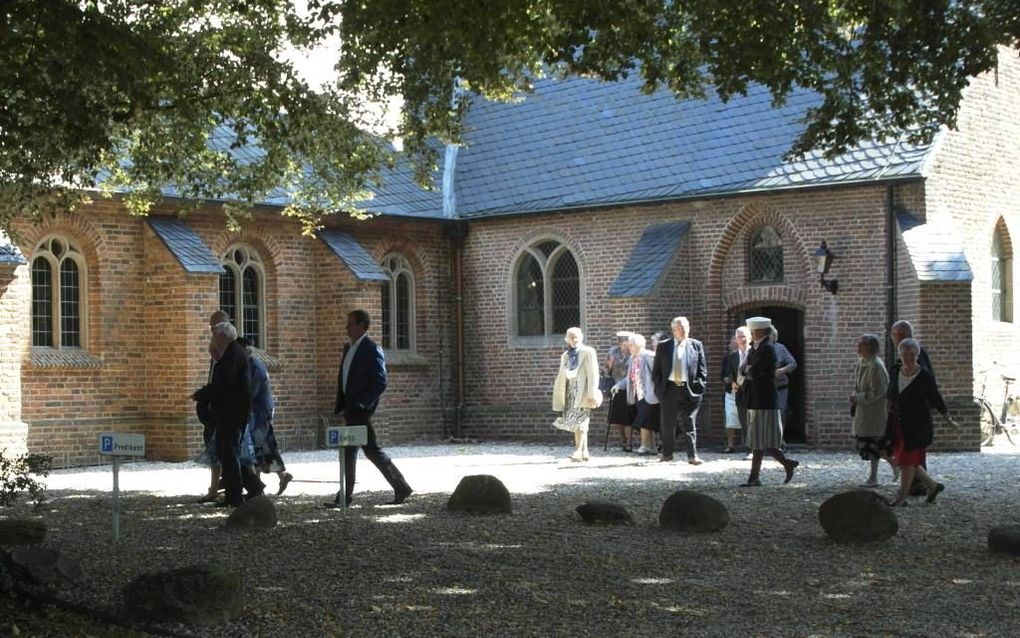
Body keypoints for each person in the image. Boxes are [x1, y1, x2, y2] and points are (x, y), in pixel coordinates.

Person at [326, 309, 412, 508]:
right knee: (357, 451)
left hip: (360, 410)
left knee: (367, 451)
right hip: (350, 408)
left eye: (350, 324)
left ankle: (398, 487)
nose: (347, 328)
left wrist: (364, 403)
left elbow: (380, 381)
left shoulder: (371, 348)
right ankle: (347, 496)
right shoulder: (349, 348)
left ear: (362, 326)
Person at [887, 338, 954, 506]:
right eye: (904, 354)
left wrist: (948, 418)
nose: (908, 357)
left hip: (917, 425)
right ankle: (932, 485)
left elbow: (936, 398)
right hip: (899, 423)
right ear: (899, 355)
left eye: (912, 354)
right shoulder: (895, 370)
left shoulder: (925, 376)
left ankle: (901, 498)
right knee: (906, 459)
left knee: (907, 461)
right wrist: (886, 413)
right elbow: (891, 393)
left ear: (917, 355)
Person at [192, 321, 252, 507]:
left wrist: (202, 394)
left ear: (223, 337)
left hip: (232, 413)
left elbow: (223, 385)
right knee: (226, 452)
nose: (212, 339)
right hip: (229, 412)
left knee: (229, 453)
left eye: (214, 335)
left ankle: (235, 496)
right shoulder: (229, 354)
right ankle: (252, 487)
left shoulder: (233, 355)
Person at [739, 317, 798, 486]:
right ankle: (785, 464)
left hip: (764, 399)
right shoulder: (755, 349)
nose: (751, 333)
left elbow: (756, 372)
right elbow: (744, 369)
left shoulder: (768, 349)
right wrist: (750, 370)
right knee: (760, 440)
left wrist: (750, 370)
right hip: (755, 398)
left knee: (763, 440)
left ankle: (755, 477)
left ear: (760, 331)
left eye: (753, 331)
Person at [239, 337, 293, 495]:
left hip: (259, 410)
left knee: (260, 444)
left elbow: (251, 392)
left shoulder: (254, 366)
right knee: (264, 444)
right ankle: (278, 477)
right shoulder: (251, 364)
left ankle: (258, 484)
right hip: (260, 409)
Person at [652, 316, 707, 464]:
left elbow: (702, 370)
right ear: (673, 330)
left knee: (689, 421)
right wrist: (659, 390)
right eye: (680, 327)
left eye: (685, 327)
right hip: (669, 389)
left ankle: (692, 455)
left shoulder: (696, 345)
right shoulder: (664, 346)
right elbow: (656, 371)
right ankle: (667, 454)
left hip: (689, 389)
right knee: (668, 423)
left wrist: (700, 386)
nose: (683, 330)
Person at [889, 319, 934, 496]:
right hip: (907, 414)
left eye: (894, 335)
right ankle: (919, 485)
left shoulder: (914, 355)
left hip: (914, 416)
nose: (892, 338)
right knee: (907, 452)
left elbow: (921, 384)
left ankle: (918, 486)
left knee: (912, 452)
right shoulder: (909, 353)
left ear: (899, 335)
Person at [850, 334, 894, 488]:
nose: (858, 347)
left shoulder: (876, 366)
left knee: (873, 445)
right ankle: (892, 465)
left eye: (862, 345)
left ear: (870, 348)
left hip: (874, 412)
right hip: (864, 411)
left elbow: (878, 391)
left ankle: (874, 477)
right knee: (870, 445)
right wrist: (855, 397)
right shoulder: (862, 363)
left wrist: (858, 398)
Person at [552, 327, 602, 461]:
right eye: (571, 337)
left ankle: (578, 451)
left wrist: (592, 393)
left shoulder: (588, 352)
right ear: (566, 339)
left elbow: (593, 374)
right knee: (575, 421)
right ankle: (584, 452)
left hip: (583, 391)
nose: (574, 340)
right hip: (569, 391)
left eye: (576, 337)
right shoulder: (565, 355)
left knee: (581, 421)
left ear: (581, 337)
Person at [612, 334, 659, 455]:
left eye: (631, 345)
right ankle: (652, 447)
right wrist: (618, 386)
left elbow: (658, 374)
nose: (629, 348)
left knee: (643, 420)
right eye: (629, 345)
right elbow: (629, 378)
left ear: (639, 345)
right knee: (647, 421)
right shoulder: (632, 358)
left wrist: (656, 391)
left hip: (649, 394)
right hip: (637, 394)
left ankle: (644, 446)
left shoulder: (648, 356)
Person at [721, 327, 751, 453]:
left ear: (749, 337)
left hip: (754, 393)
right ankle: (749, 449)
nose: (742, 339)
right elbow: (731, 374)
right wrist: (733, 382)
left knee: (754, 422)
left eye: (744, 336)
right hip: (739, 394)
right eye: (739, 337)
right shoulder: (732, 357)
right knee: (744, 422)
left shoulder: (755, 353)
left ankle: (754, 450)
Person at [605, 332, 635, 451]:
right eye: (623, 341)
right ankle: (623, 440)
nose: (625, 344)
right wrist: (609, 365)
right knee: (618, 417)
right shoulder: (613, 352)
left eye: (626, 341)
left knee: (628, 416)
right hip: (615, 388)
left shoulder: (633, 353)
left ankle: (629, 442)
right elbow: (606, 370)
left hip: (629, 388)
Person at [771, 326, 798, 448]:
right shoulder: (758, 349)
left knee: (780, 412)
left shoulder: (780, 348)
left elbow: (793, 363)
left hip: (781, 386)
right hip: (766, 387)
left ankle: (780, 439)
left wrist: (782, 370)